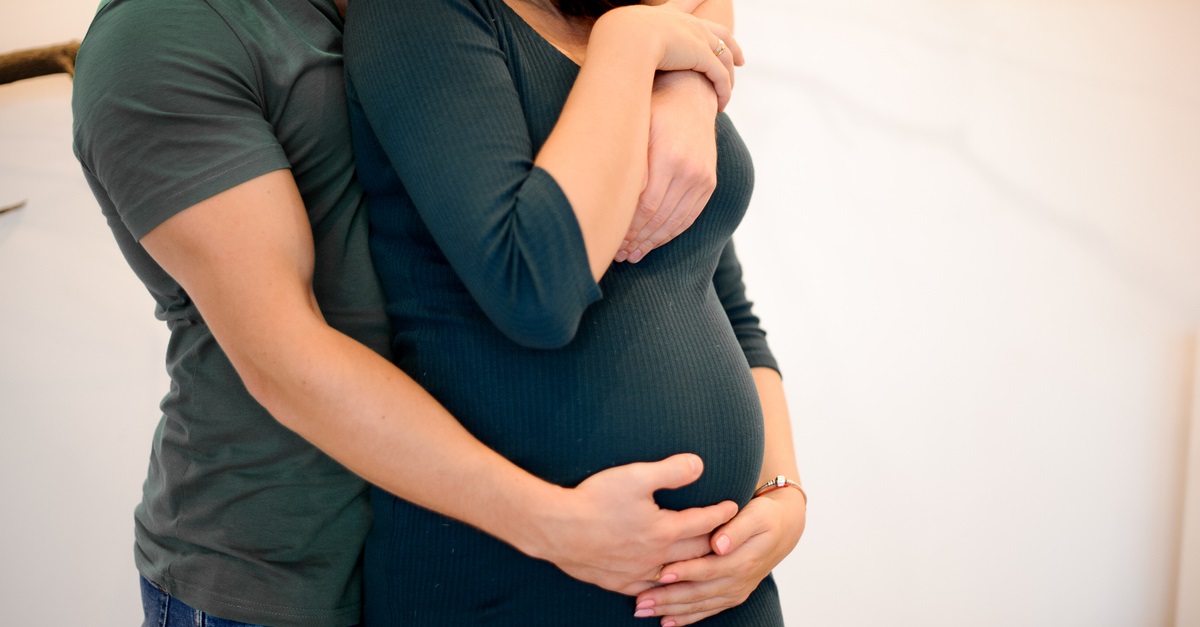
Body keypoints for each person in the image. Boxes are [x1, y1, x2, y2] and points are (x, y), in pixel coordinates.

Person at [69, 0, 784, 625]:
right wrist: (556, 525)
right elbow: (286, 360)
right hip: (277, 567)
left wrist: (688, 81)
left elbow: (699, 266)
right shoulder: (161, 35)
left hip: (468, 540)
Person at [344, 0, 807, 625]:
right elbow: (532, 288)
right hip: (512, 583)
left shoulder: (645, 29)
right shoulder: (424, 14)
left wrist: (780, 497)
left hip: (719, 589)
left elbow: (721, 297)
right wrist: (634, 42)